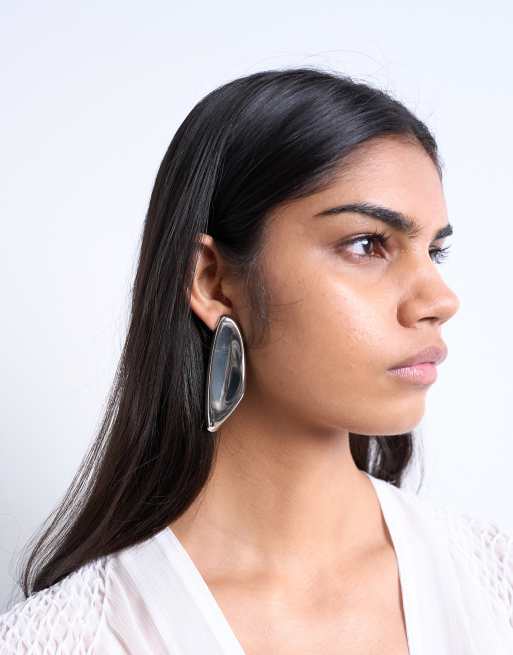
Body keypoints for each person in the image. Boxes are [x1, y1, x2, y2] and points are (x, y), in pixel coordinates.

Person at [1, 66, 512, 654]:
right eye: (367, 244)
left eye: (434, 251)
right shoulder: (67, 639)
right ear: (212, 281)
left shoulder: (497, 586)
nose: (440, 300)